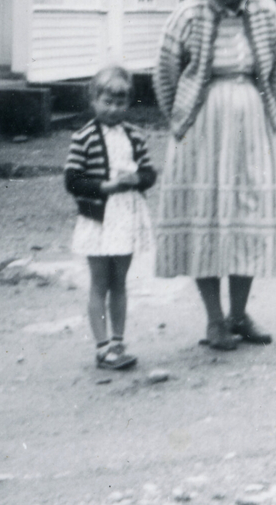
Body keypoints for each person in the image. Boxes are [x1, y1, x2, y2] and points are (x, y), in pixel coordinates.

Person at [153, 0, 276, 350]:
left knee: (246, 215)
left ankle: (239, 314)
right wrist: (180, 117)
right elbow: (164, 69)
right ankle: (214, 321)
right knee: (204, 217)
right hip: (201, 125)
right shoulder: (188, 13)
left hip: (249, 122)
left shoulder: (265, 10)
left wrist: (262, 106)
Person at [64, 65, 156, 371]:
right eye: (107, 102)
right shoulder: (84, 137)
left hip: (127, 216)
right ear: (93, 100)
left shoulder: (135, 135)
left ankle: (118, 341)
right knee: (99, 283)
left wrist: (137, 179)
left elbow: (149, 173)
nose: (113, 108)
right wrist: (105, 186)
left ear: (128, 104)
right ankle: (102, 347)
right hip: (98, 218)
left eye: (120, 103)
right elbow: (73, 180)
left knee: (120, 282)